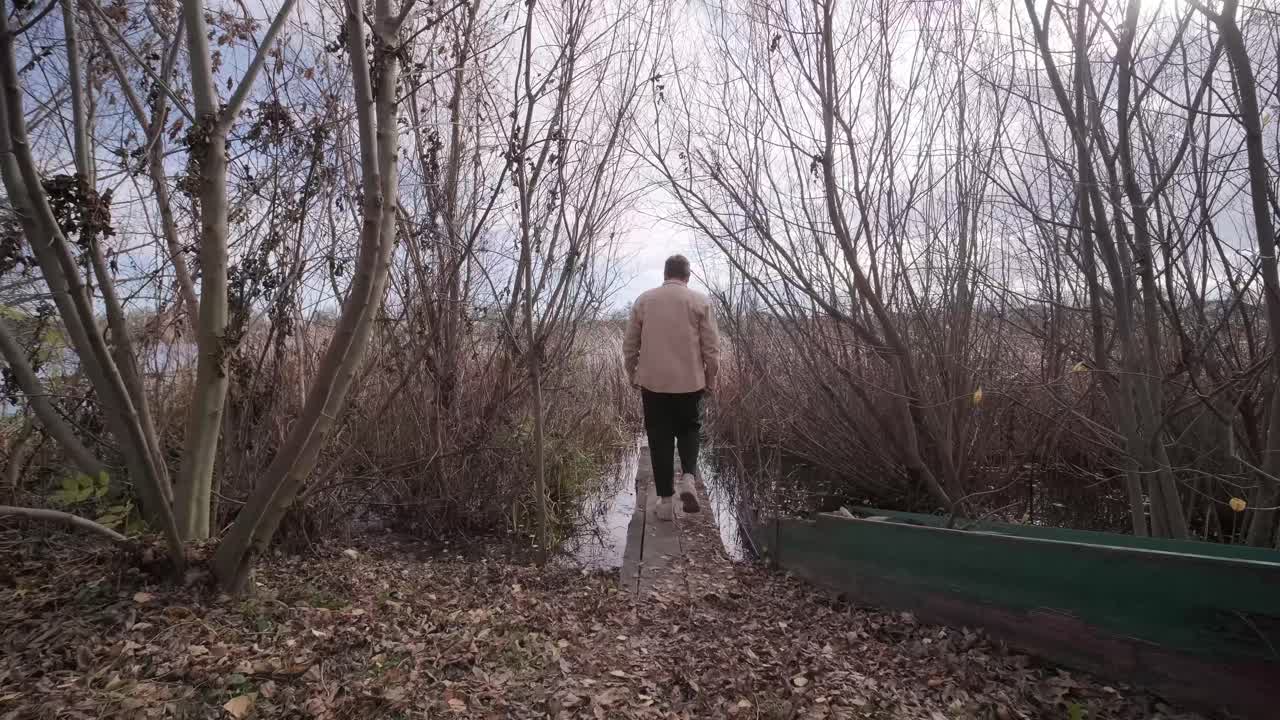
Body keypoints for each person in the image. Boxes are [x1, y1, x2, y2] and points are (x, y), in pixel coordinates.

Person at [623, 254, 721, 521]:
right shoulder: (700, 302)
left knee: (659, 438)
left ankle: (666, 502)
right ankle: (688, 478)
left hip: (653, 384)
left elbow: (630, 345)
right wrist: (710, 380)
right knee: (690, 429)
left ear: (665, 274)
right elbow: (712, 350)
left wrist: (632, 373)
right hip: (691, 383)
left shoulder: (644, 300)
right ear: (687, 276)